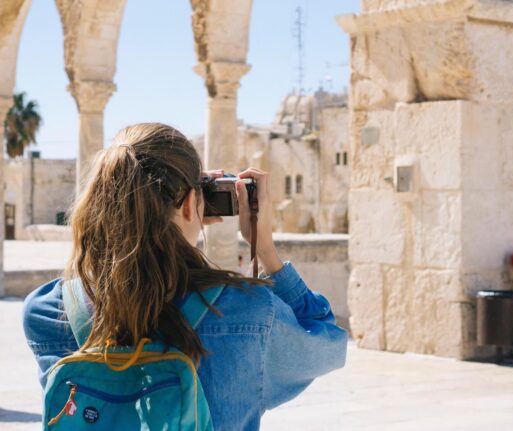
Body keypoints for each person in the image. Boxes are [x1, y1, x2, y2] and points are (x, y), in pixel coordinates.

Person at [22, 123, 348, 430]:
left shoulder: (48, 312)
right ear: (192, 204)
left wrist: (186, 203)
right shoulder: (248, 312)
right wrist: (265, 251)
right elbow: (328, 343)